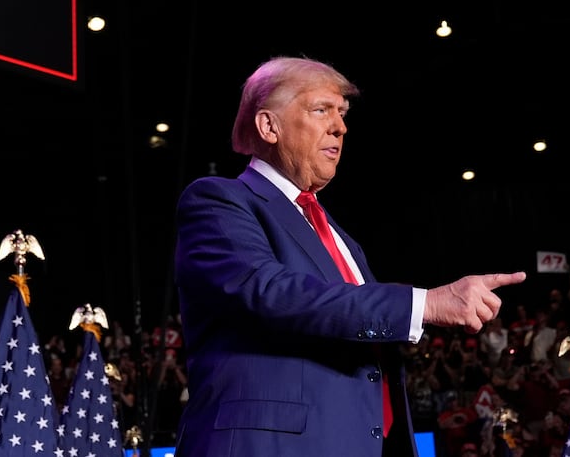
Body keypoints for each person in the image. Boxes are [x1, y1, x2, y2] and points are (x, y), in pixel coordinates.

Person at [171, 56, 527, 457]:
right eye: (321, 109)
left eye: (341, 113)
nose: (340, 126)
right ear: (269, 126)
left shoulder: (339, 237)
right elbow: (271, 291)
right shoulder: (220, 200)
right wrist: (426, 303)